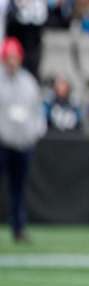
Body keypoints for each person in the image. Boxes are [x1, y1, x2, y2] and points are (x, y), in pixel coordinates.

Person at [0, 38, 45, 243]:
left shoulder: (28, 81)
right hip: (2, 142)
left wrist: (35, 132)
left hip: (23, 143)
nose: (12, 61)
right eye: (9, 57)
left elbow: (37, 110)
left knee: (19, 189)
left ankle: (18, 228)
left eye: (15, 57)